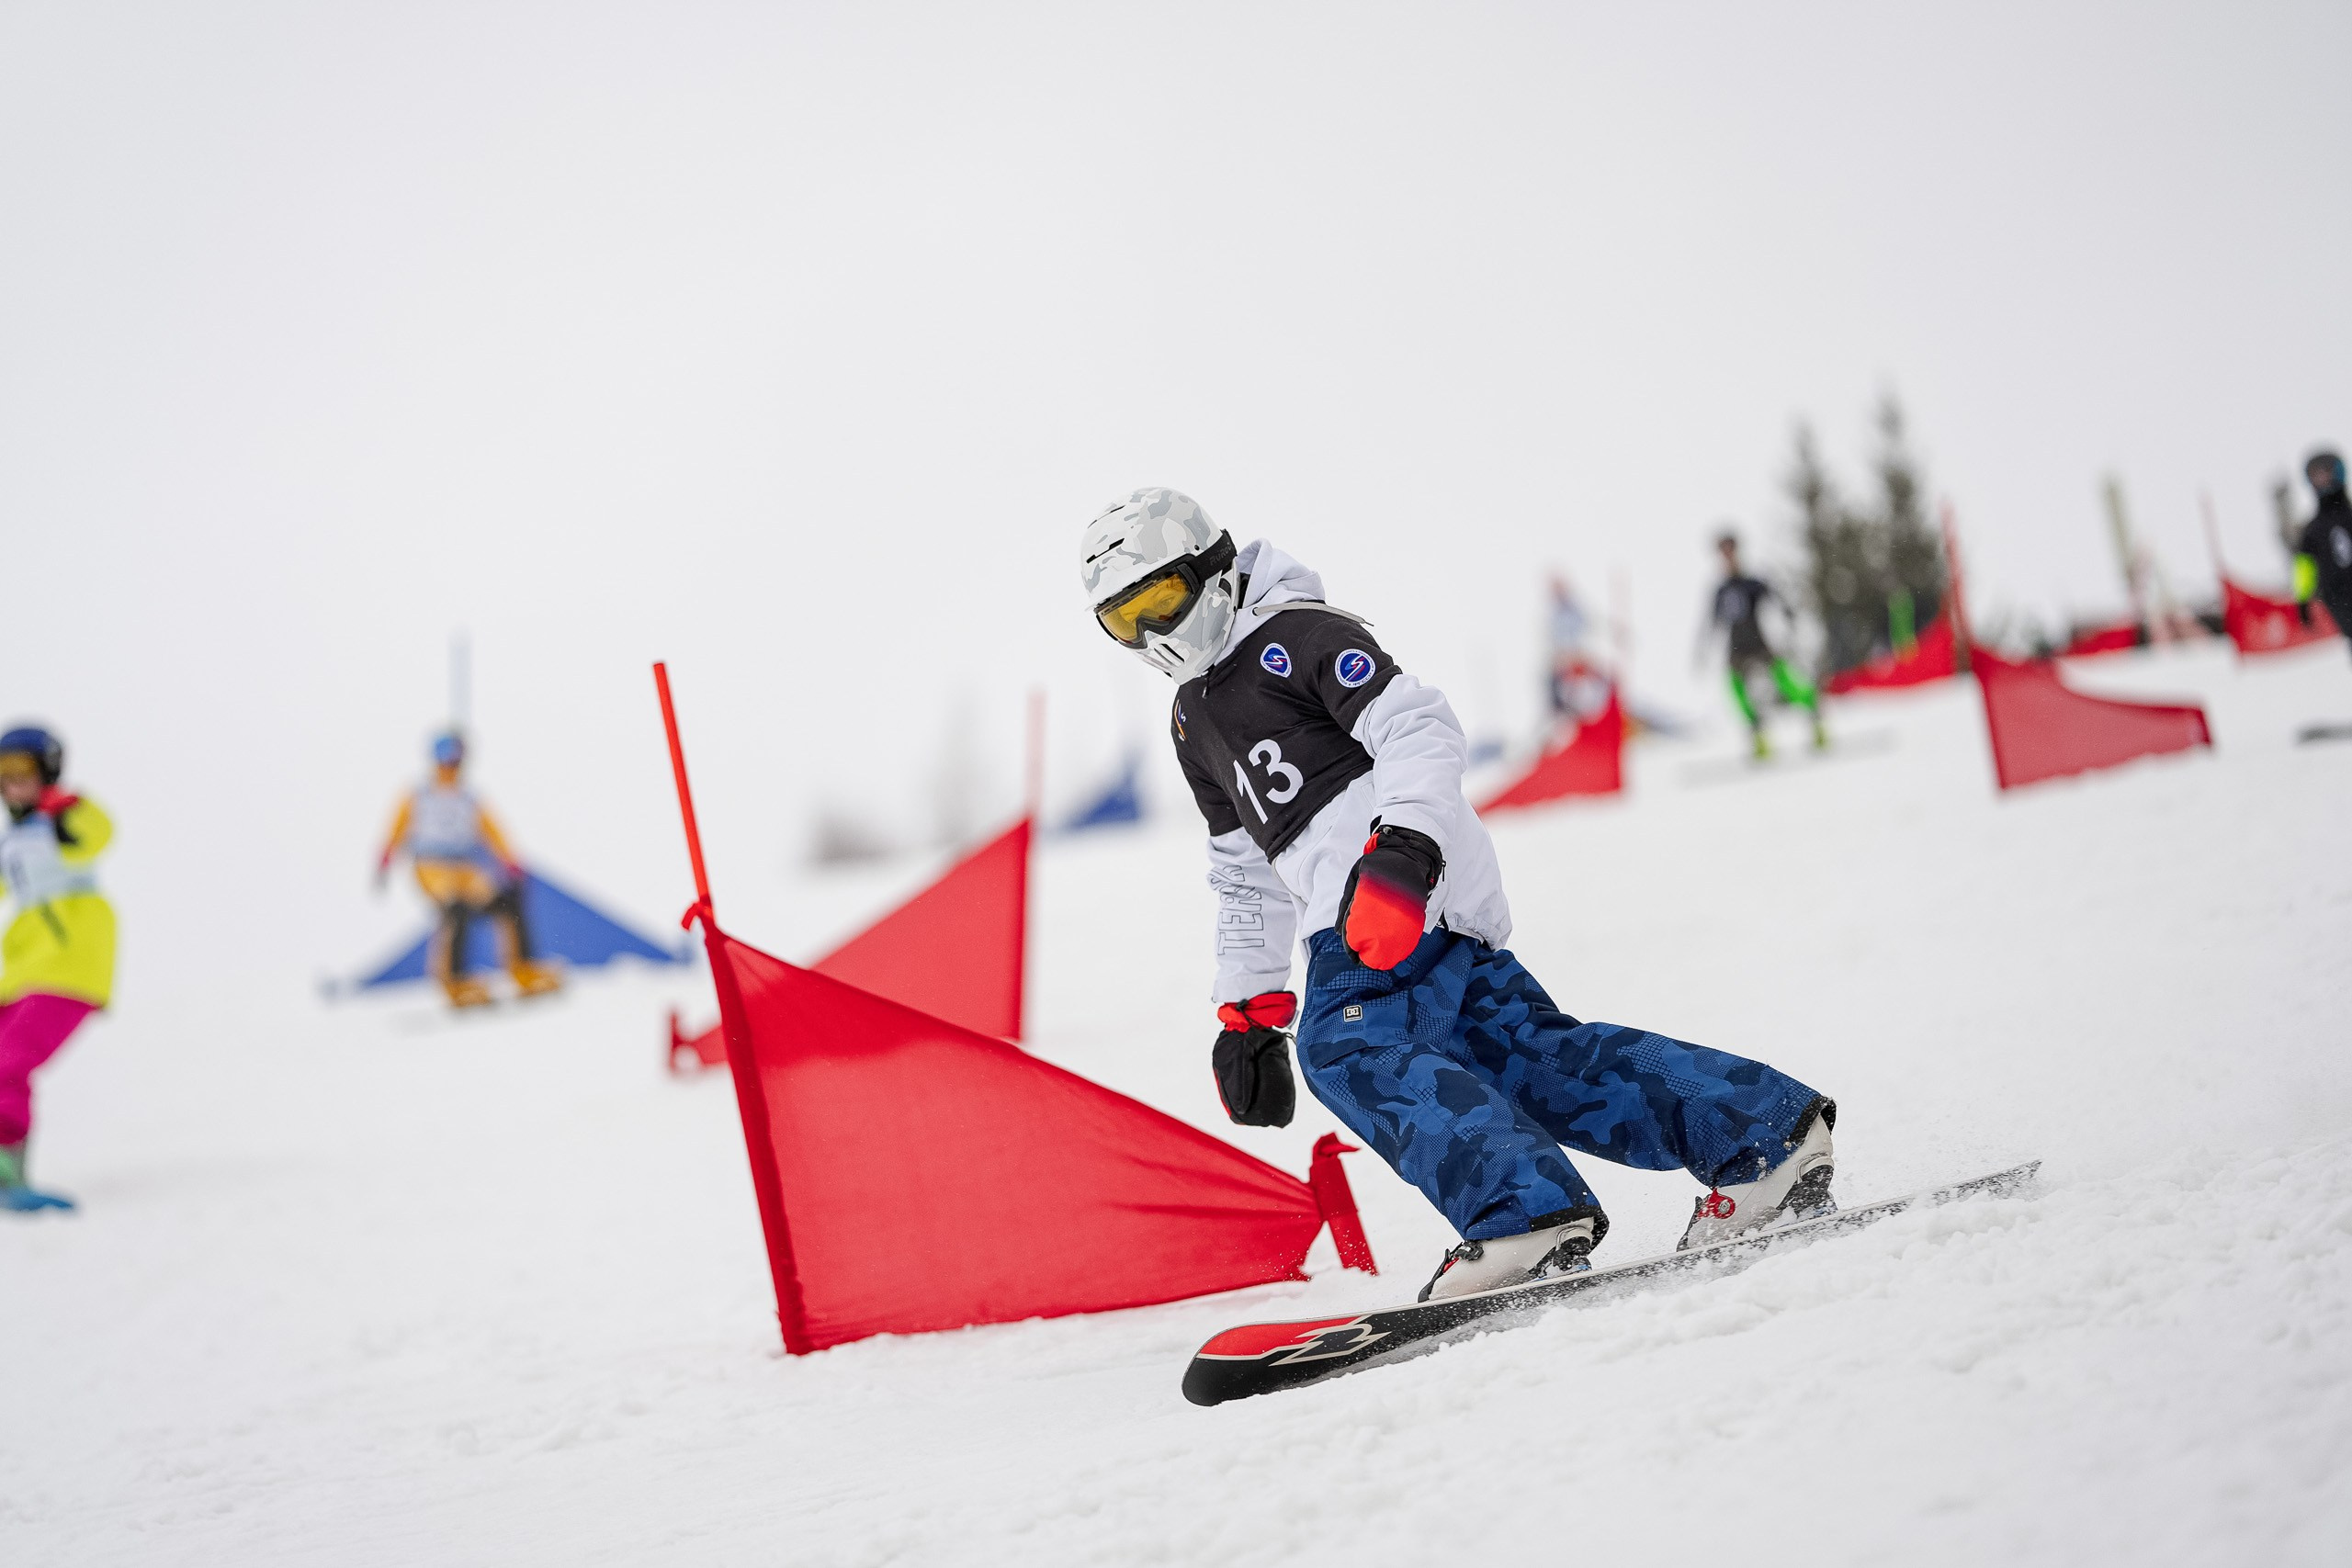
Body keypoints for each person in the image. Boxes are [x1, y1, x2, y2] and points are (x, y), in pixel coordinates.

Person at [1080, 489, 1838, 1300]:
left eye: (1162, 600)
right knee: (1533, 1059)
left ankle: (1521, 1213)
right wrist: (1249, 1008)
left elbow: (1417, 727)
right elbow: (1242, 868)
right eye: (1127, 622)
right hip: (1379, 905)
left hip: (1387, 890)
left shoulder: (1295, 634)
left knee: (1345, 1043)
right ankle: (1762, 1136)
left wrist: (1406, 851)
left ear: (1213, 570)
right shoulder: (1191, 719)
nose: (1156, 635)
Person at [0, 725, 114, 1212]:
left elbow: (99, 834)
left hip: (70, 966)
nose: (13, 783)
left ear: (47, 771)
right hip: (21, 971)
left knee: (7, 1061)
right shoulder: (14, 841)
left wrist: (64, 810)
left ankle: (7, 1169)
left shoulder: (66, 819)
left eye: (23, 771)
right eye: (3, 774)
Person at [376, 733, 560, 1008]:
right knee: (456, 909)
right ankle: (454, 981)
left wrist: (510, 860)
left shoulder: (468, 798)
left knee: (507, 902)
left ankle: (523, 969)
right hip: (431, 865)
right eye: (448, 761)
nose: (452, 767)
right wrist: (387, 856)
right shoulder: (420, 794)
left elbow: (491, 829)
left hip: (464, 865)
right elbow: (398, 826)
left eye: (457, 761)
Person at [1699, 530, 1826, 758]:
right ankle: (1759, 737)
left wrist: (1790, 618)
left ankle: (1815, 716)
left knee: (1786, 681)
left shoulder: (1752, 583)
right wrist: (1701, 650)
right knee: (1736, 692)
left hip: (1758, 641)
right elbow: (1711, 622)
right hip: (1736, 647)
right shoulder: (1721, 590)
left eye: (1730, 551)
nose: (1727, 557)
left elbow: (1777, 600)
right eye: (1723, 552)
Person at [2293, 449, 2352, 655]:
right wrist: (2303, 599)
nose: (2322, 480)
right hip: (2339, 599)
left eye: (2326, 473)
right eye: (2316, 476)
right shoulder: (2313, 530)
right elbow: (2304, 566)